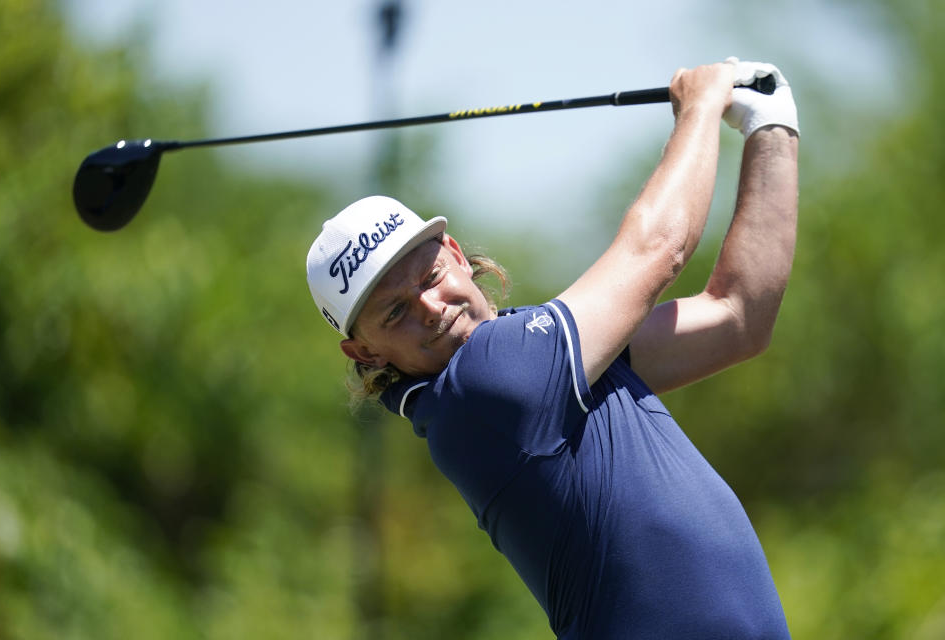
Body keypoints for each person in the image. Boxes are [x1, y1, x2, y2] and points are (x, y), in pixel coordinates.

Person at [306, 58, 799, 639]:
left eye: (430, 276)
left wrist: (771, 128)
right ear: (366, 354)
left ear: (457, 254)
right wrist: (701, 107)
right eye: (395, 312)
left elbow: (738, 317)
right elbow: (657, 249)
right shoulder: (486, 383)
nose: (430, 308)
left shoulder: (543, 362)